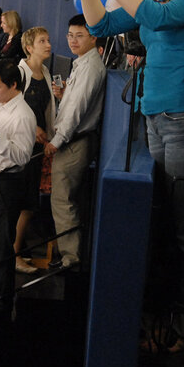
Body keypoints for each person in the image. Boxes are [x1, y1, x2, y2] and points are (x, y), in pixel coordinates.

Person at [73, 0, 184, 309]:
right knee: (168, 226)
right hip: (154, 117)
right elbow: (101, 25)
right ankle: (172, 314)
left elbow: (160, 19)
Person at [43, 15, 107, 270]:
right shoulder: (83, 62)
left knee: (62, 200)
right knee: (67, 199)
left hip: (74, 142)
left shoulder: (92, 67)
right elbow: (74, 101)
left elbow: (77, 110)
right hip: (75, 139)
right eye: (70, 35)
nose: (72, 41)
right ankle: (70, 253)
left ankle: (70, 259)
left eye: (79, 36)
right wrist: (64, 93)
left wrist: (56, 142)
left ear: (93, 37)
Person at [0, 59, 36, 319]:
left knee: (2, 246)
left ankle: (2, 303)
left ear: (13, 84)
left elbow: (22, 156)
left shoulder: (23, 114)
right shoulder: (2, 107)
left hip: (7, 182)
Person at [13, 26, 56, 274]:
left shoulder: (47, 72)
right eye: (42, 41)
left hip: (38, 147)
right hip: (25, 147)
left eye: (48, 40)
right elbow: (13, 105)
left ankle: (18, 252)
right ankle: (14, 256)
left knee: (29, 204)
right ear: (29, 47)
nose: (48, 44)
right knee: (25, 205)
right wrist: (34, 126)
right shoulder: (21, 72)